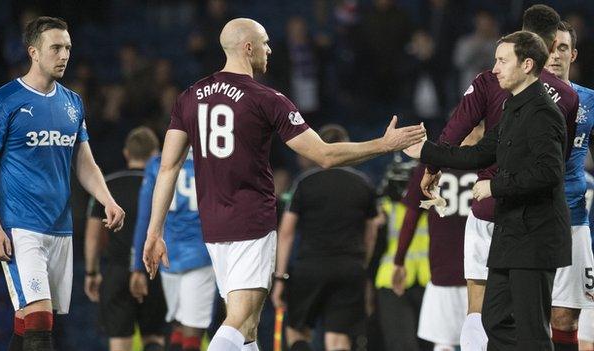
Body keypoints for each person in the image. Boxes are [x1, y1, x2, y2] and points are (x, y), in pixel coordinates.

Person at [142, 17, 426, 351]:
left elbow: (168, 167)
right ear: (248, 48)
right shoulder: (266, 98)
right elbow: (325, 155)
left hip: (214, 225)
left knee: (247, 325)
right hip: (250, 221)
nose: (269, 49)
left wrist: (153, 231)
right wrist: (383, 144)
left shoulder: (189, 97)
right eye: (264, 42)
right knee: (238, 321)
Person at [418, 5, 578, 350]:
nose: (494, 68)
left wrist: (491, 184)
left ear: (527, 61)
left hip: (530, 228)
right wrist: (425, 153)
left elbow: (549, 171)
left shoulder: (537, 107)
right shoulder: (526, 104)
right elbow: (481, 153)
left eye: (501, 60)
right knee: (494, 318)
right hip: (508, 225)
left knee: (524, 326)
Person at [0, 16, 125, 351]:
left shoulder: (72, 103)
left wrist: (108, 199)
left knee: (28, 322)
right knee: (42, 322)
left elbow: (84, 162)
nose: (64, 54)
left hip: (60, 227)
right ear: (34, 52)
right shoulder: (3, 101)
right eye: (56, 47)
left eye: (68, 47)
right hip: (19, 227)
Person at [270, 124, 379, 351]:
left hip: (310, 266)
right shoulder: (364, 184)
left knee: (296, 331)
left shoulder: (304, 182)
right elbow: (371, 234)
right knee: (338, 341)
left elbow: (287, 232)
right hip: (349, 267)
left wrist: (280, 277)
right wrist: (362, 265)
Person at [393, 126, 484, 351]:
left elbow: (410, 217)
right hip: (483, 270)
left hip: (446, 268)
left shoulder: (433, 164)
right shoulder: (492, 163)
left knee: (444, 344)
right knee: (482, 341)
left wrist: (399, 260)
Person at [84, 126, 166, 351]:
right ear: (155, 154)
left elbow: (92, 236)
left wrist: (92, 272)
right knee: (155, 338)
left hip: (116, 273)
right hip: (154, 270)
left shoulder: (106, 187)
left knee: (120, 342)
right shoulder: (163, 186)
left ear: (126, 153)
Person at [131, 147, 215, 351]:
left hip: (168, 254)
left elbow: (144, 217)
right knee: (192, 328)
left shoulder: (157, 164)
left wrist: (137, 267)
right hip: (202, 253)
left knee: (179, 320)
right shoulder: (212, 161)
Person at [545, 21, 594, 350]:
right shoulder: (516, 97)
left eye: (563, 47)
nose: (555, 54)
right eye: (549, 47)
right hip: (526, 220)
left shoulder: (589, 101)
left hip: (574, 221)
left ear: (573, 54)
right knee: (523, 316)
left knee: (565, 319)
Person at [373, 156, 431, 351]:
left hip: (425, 282)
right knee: (402, 344)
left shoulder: (433, 206)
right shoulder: (383, 211)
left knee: (428, 344)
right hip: (394, 283)